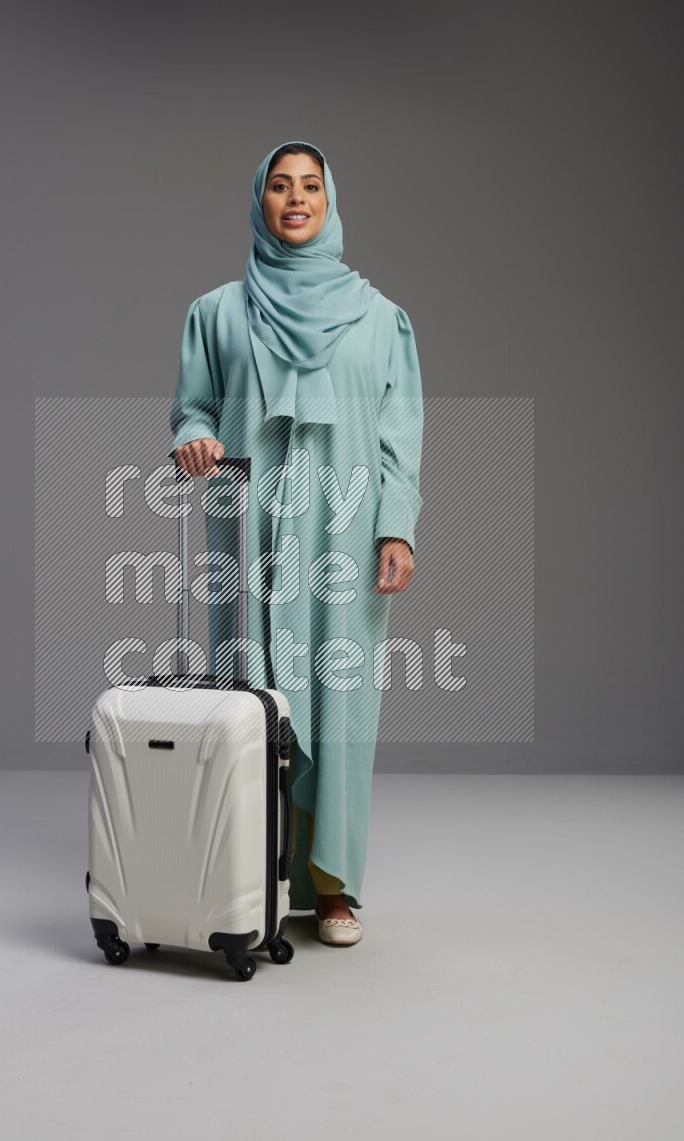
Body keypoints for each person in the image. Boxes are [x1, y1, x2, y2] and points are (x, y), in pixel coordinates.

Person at [169, 140, 423, 946]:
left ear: (330, 199)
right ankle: (250, 875)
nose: (295, 198)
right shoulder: (216, 312)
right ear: (260, 200)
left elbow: (397, 439)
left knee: (339, 705)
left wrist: (396, 527)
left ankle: (333, 888)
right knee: (247, 699)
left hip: (342, 534)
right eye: (280, 185)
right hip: (246, 533)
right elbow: (193, 409)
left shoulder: (382, 319)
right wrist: (195, 438)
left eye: (310, 185)